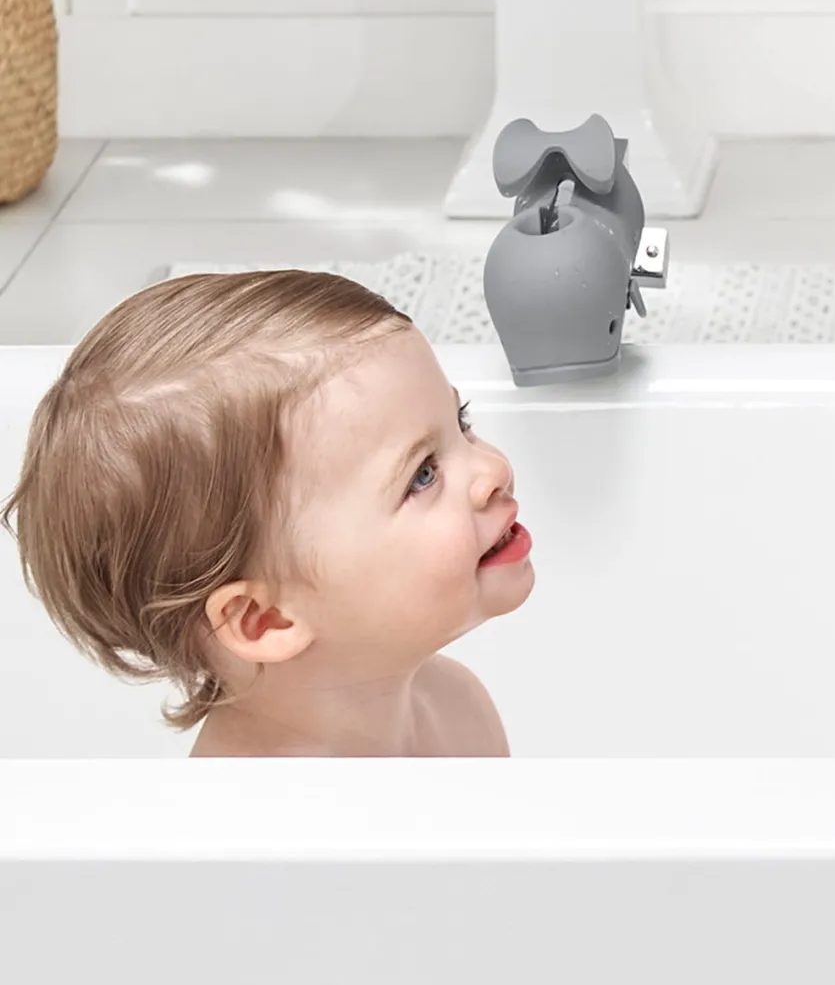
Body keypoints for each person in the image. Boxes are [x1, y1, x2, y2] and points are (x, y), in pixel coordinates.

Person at [2, 269, 532, 756]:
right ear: (265, 619)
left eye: (462, 421)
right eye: (422, 475)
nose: (494, 469)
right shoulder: (248, 818)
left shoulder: (454, 703)